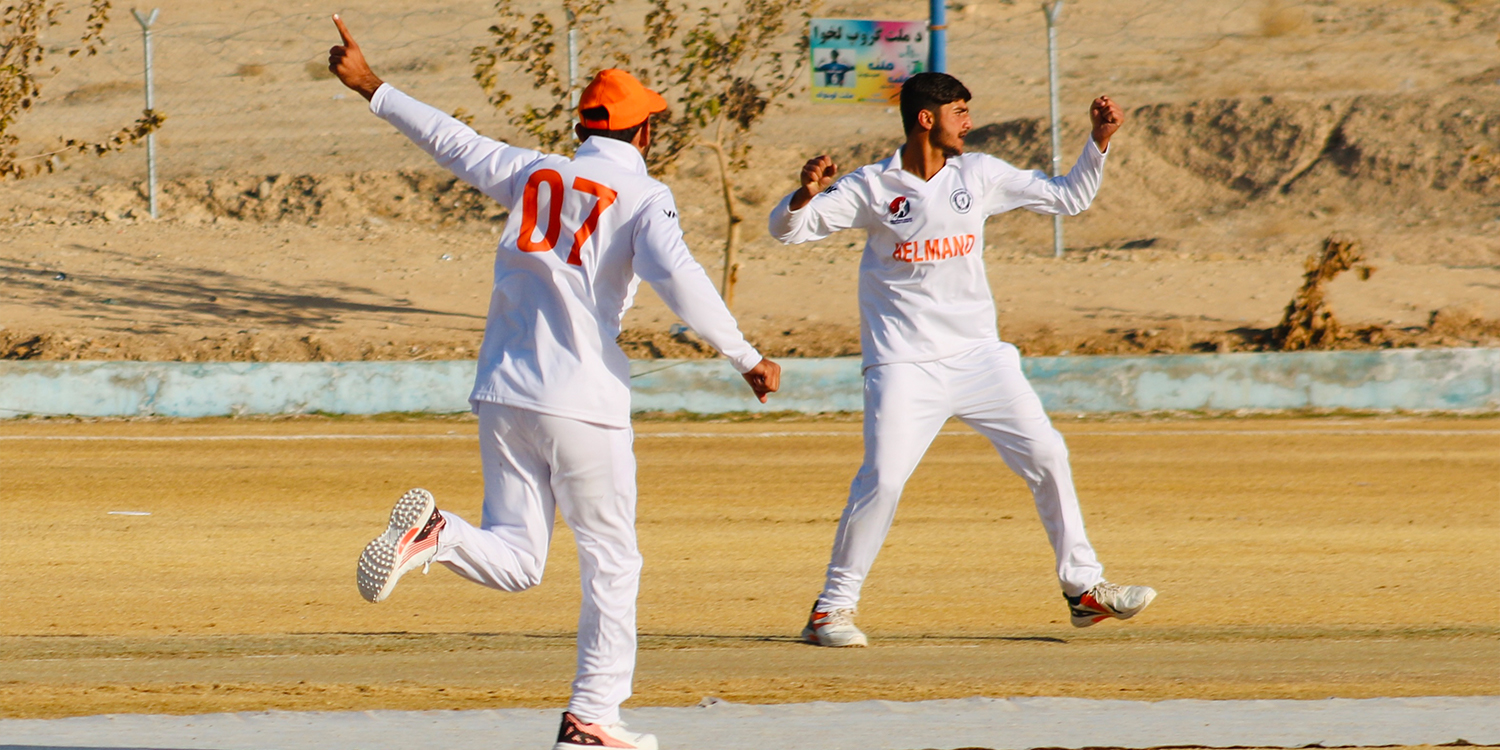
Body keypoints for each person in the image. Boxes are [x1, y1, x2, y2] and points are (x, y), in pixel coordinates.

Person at [328, 16, 781, 750]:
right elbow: (683, 280)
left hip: (503, 392)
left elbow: (453, 140)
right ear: (641, 136)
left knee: (518, 562)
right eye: (652, 126)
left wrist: (373, 87)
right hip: (582, 403)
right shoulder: (643, 196)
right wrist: (746, 356)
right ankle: (593, 717)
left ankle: (436, 535)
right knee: (613, 559)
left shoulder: (534, 169)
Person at [768, 72, 1154, 648]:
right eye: (960, 111)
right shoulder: (875, 185)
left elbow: (1069, 196)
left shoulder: (980, 173)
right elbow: (786, 231)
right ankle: (831, 610)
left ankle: (1084, 590)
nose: (969, 122)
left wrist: (1098, 139)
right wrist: (804, 193)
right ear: (927, 118)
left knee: (1048, 452)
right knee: (885, 480)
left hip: (979, 358)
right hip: (903, 364)